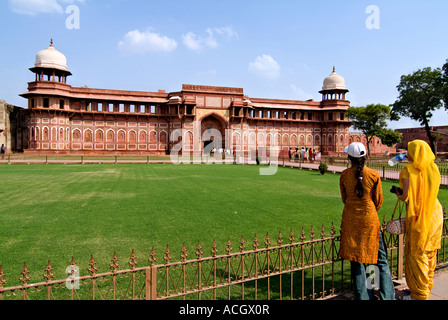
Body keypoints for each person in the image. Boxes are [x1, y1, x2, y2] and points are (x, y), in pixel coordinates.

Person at [339, 142, 395, 300]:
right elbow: (378, 201)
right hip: (370, 221)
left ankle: (364, 297)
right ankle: (387, 296)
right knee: (380, 260)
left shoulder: (344, 175)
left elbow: (345, 198)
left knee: (357, 261)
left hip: (351, 220)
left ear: (349, 157)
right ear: (366, 156)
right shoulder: (374, 175)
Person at [395, 140, 443, 300]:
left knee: (417, 253)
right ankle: (423, 287)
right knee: (430, 252)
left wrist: (398, 194)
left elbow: (406, 196)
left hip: (418, 215)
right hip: (434, 212)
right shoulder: (433, 169)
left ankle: (419, 295)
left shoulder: (408, 170)